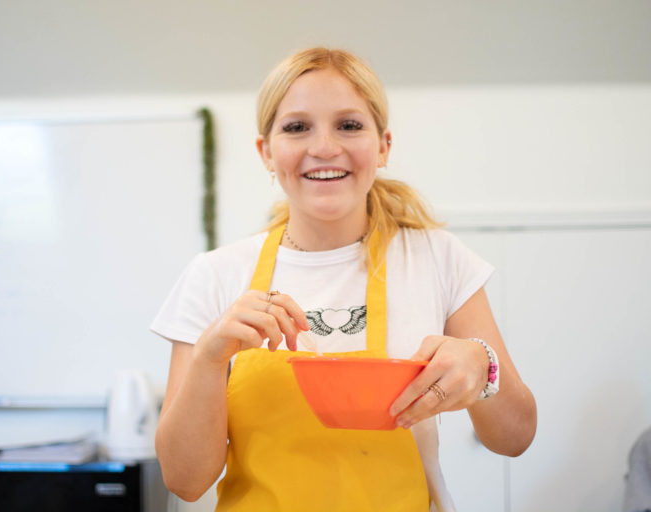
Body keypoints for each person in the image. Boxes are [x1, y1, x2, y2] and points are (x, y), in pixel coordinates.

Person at [151, 47, 537, 511]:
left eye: (349, 125)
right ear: (266, 152)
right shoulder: (214, 276)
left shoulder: (436, 258)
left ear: (383, 146)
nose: (325, 147)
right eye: (297, 127)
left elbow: (515, 438)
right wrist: (209, 359)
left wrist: (482, 365)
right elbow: (185, 480)